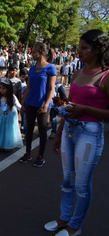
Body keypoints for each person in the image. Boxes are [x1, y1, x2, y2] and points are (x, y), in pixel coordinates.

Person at [44, 30, 109, 236]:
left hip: (90, 133)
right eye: (78, 47)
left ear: (97, 49)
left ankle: (75, 226)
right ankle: (64, 218)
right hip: (69, 130)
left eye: (84, 48)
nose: (78, 52)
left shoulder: (106, 76)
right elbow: (71, 103)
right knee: (67, 179)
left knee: (82, 184)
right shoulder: (78, 72)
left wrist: (86, 110)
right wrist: (60, 130)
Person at [19, 42, 56, 167]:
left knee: (42, 130)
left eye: (34, 52)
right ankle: (27, 153)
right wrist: (22, 104)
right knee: (29, 129)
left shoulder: (50, 68)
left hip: (42, 105)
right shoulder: (32, 69)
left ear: (41, 53)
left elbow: (51, 89)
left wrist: (46, 105)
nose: (32, 54)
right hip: (30, 103)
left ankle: (41, 155)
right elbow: (28, 88)